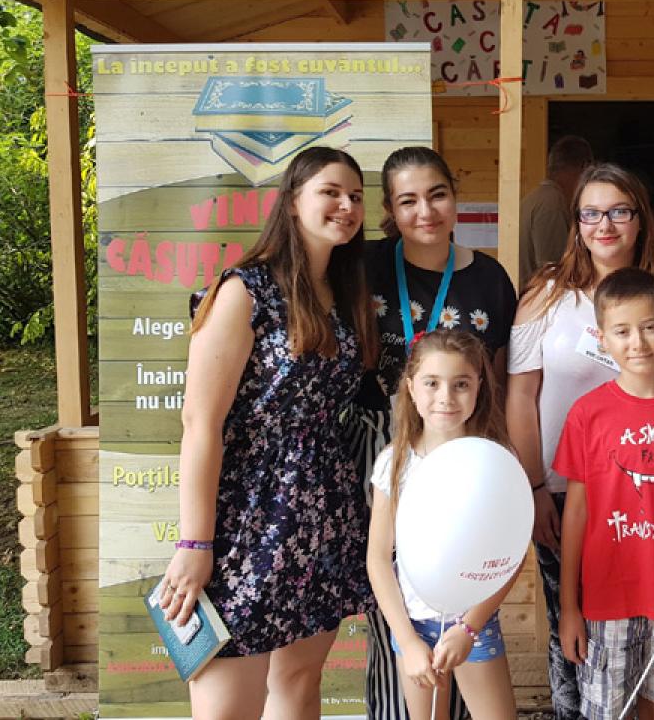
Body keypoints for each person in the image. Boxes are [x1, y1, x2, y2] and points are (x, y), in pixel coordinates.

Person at [161, 146, 374, 720]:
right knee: (227, 704)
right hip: (247, 517)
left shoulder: (345, 294)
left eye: (356, 196)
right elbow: (200, 422)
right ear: (293, 201)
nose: (347, 205)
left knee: (300, 683)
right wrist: (195, 544)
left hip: (323, 513)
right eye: (331, 191)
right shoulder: (244, 290)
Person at [507, 162, 654, 720]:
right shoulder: (547, 294)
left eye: (619, 211)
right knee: (572, 632)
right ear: (575, 222)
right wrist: (534, 488)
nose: (605, 225)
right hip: (565, 492)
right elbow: (521, 395)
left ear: (641, 219)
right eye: (591, 213)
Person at [345, 145, 518, 720]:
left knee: (466, 578)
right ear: (390, 211)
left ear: (455, 196)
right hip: (382, 442)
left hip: (467, 449)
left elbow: (497, 378)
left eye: (437, 195)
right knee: (397, 613)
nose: (425, 211)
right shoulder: (363, 266)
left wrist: (497, 456)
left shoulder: (489, 278)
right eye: (407, 201)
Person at [554, 267, 654, 720]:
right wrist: (569, 606)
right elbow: (576, 514)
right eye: (622, 331)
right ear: (602, 339)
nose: (637, 342)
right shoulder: (587, 415)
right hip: (607, 602)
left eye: (650, 327)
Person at [366, 329, 520, 720]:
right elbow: (378, 559)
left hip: (474, 623)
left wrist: (469, 628)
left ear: (479, 386)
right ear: (411, 387)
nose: (446, 397)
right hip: (413, 626)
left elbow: (512, 555)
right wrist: (407, 641)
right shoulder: (394, 463)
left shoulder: (496, 461)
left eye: (461, 384)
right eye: (432, 383)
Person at [519, 134, 594, 288]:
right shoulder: (553, 203)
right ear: (584, 167)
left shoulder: (535, 198)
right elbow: (553, 269)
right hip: (545, 298)